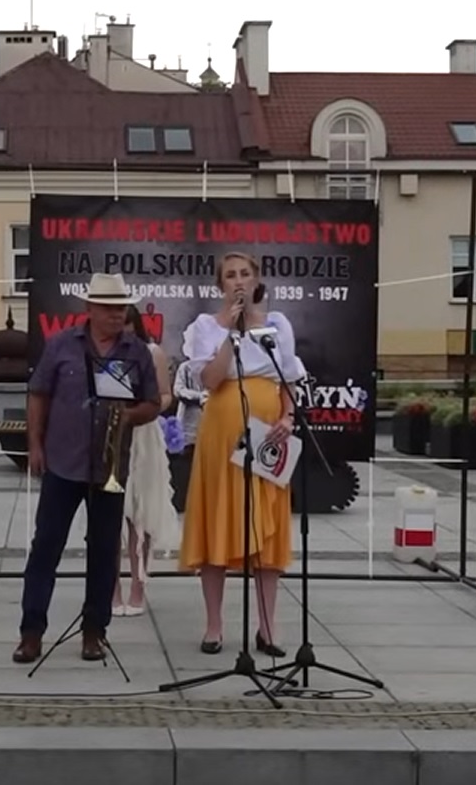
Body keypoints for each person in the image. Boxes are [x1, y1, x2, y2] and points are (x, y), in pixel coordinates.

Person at [13, 273, 161, 665]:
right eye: (109, 308)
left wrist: (128, 417)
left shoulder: (137, 352)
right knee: (46, 547)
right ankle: (31, 632)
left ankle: (94, 631)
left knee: (103, 551)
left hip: (110, 465)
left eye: (121, 308)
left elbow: (154, 403)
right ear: (90, 309)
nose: (116, 314)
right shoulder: (61, 345)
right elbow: (39, 394)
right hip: (63, 460)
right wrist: (35, 445)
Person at [179, 252, 305, 657]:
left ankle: (267, 628)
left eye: (244, 274)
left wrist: (287, 416)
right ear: (220, 284)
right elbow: (211, 380)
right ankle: (214, 626)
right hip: (222, 435)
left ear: (257, 280)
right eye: (230, 275)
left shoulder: (278, 326)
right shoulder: (205, 327)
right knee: (219, 519)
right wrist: (231, 332)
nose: (238, 281)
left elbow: (289, 379)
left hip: (268, 435)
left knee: (266, 528)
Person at [112, 306, 181, 616]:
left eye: (126, 325)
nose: (121, 332)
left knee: (143, 511)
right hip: (113, 436)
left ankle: (138, 585)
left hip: (145, 436)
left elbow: (166, 395)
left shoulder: (152, 352)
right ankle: (112, 589)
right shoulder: (101, 352)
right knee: (113, 516)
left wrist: (147, 405)